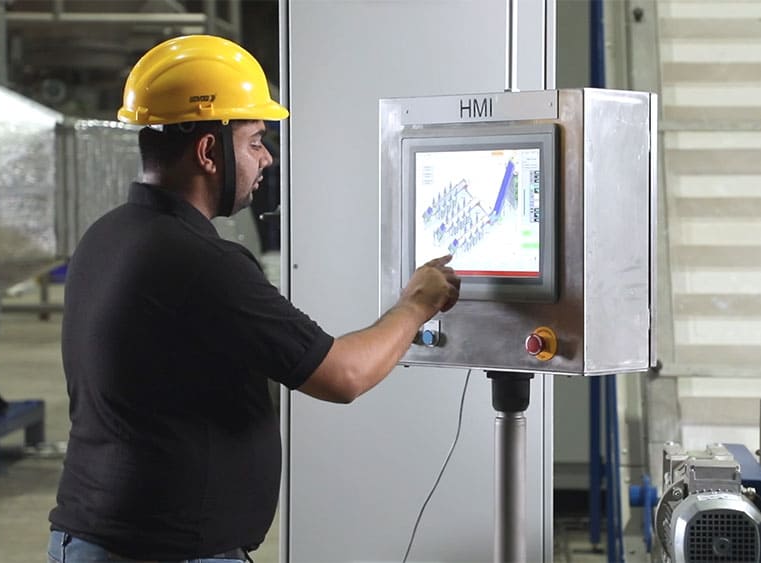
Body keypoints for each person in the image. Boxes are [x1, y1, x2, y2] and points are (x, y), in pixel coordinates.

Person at [47, 35, 460, 563]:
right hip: (161, 550)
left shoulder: (109, 235)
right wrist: (416, 304)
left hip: (90, 538)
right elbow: (344, 375)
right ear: (208, 151)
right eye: (255, 140)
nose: (265, 158)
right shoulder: (200, 261)